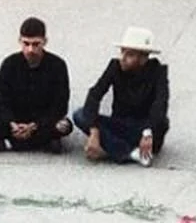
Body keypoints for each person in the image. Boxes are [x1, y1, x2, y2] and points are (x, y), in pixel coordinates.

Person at [0, 16, 72, 155]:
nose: (30, 49)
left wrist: (34, 126)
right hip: (13, 122)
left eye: (36, 44)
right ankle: (42, 143)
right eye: (26, 43)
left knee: (64, 126)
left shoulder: (58, 65)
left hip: (41, 123)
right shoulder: (9, 63)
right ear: (20, 41)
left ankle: (5, 143)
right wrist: (12, 123)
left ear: (45, 42)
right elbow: (1, 101)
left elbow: (60, 105)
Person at [73, 25, 171, 165]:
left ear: (143, 59)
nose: (123, 58)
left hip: (145, 128)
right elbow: (95, 94)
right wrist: (94, 130)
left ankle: (112, 148)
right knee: (80, 114)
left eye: (130, 54)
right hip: (120, 124)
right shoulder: (115, 67)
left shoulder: (158, 72)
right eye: (122, 52)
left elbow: (160, 104)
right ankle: (131, 153)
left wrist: (148, 131)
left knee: (161, 122)